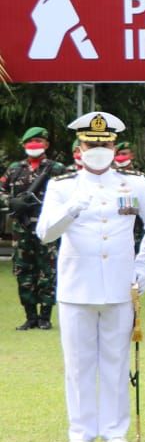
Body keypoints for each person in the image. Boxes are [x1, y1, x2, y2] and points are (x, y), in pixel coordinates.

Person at [35, 112, 145, 442]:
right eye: (92, 144)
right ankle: (81, 431)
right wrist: (72, 209)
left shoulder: (134, 183)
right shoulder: (62, 187)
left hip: (120, 284)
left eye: (105, 144)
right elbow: (45, 233)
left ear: (114, 145)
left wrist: (143, 268)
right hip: (77, 286)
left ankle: (115, 430)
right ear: (79, 147)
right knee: (78, 362)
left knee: (116, 359)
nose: (98, 149)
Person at [2, 126, 69, 330]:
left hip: (47, 227)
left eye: (39, 142)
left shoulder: (56, 169)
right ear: (24, 145)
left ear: (47, 145)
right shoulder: (14, 169)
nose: (35, 146)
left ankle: (45, 317)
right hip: (21, 229)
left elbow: (69, 193)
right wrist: (12, 202)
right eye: (31, 142)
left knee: (47, 271)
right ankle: (30, 316)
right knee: (24, 271)